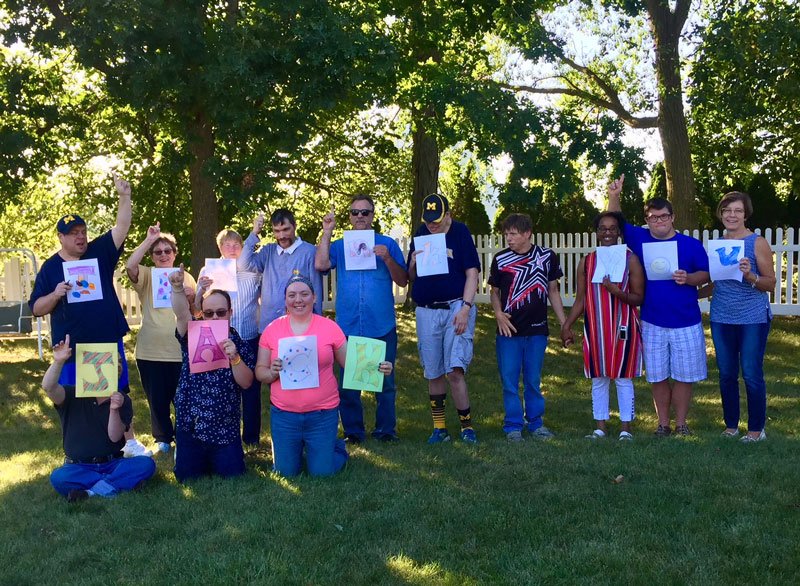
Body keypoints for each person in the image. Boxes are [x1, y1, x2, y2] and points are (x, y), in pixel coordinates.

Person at [29, 173, 152, 457]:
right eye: (73, 233)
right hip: (72, 346)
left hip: (105, 338)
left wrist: (124, 196)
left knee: (116, 392)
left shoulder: (99, 252)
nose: (81, 237)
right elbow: (36, 308)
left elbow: (122, 227)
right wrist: (56, 293)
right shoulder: (50, 268)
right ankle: (83, 448)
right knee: (78, 398)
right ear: (61, 238)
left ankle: (127, 443)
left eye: (82, 231)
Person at [256, 273, 392, 476]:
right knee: (284, 473)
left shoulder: (329, 328)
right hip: (284, 416)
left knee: (322, 473)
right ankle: (306, 450)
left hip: (322, 414)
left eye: (304, 294)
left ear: (314, 297)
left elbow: (350, 363)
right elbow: (260, 371)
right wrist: (271, 372)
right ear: (285, 300)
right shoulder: (272, 330)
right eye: (292, 295)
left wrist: (377, 367)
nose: (298, 300)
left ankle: (336, 448)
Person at [607, 174, 710, 436]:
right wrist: (614, 196)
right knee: (657, 375)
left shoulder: (691, 245)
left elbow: (705, 275)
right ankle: (663, 424)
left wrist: (688, 279)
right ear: (647, 220)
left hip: (686, 320)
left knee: (685, 376)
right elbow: (617, 221)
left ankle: (681, 424)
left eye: (663, 216)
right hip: (652, 320)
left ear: (672, 217)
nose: (659, 221)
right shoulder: (640, 238)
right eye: (653, 217)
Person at [314, 195, 408, 443]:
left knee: (385, 382)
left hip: (381, 324)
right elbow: (321, 265)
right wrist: (327, 232)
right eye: (355, 212)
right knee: (348, 386)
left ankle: (386, 431)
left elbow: (403, 280)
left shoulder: (387, 244)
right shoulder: (338, 246)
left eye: (365, 213)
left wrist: (387, 258)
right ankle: (354, 433)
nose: (360, 217)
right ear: (350, 216)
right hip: (349, 325)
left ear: (372, 215)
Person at [561, 212, 644, 440]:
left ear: (619, 232)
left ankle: (626, 429)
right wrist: (567, 325)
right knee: (598, 377)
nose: (607, 232)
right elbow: (580, 299)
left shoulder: (630, 259)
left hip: (623, 325)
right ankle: (600, 427)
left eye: (612, 228)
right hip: (595, 328)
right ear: (596, 233)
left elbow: (639, 298)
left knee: (623, 376)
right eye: (602, 228)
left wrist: (617, 292)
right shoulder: (587, 262)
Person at [169, 266, 256, 482]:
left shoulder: (239, 343)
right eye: (208, 313)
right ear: (202, 313)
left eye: (221, 312)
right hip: (191, 425)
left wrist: (234, 358)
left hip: (225, 428)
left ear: (230, 313)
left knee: (233, 476)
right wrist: (178, 288)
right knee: (186, 478)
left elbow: (246, 383)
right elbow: (181, 313)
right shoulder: (192, 333)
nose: (215, 317)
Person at [44, 334, 156, 502]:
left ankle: (90, 492)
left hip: (113, 463)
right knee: (59, 477)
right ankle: (117, 485)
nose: (100, 371)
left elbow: (114, 437)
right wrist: (58, 361)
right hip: (79, 466)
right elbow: (49, 387)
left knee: (146, 464)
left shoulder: (122, 399)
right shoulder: (71, 394)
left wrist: (114, 409)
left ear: (116, 372)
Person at [700, 192, 775, 442]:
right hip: (722, 317)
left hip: (752, 317)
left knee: (752, 373)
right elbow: (717, 283)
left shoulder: (757, 243)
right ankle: (731, 426)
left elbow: (771, 284)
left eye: (737, 211)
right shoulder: (718, 244)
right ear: (721, 214)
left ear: (745, 214)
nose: (732, 215)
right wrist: (691, 293)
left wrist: (749, 275)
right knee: (727, 374)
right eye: (727, 210)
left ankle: (756, 430)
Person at [407, 194, 481, 444]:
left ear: (448, 215)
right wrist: (414, 263)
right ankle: (439, 428)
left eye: (437, 220)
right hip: (427, 310)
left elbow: (472, 273)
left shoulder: (460, 232)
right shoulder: (421, 232)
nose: (432, 225)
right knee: (433, 370)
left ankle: (466, 427)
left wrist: (466, 308)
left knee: (455, 369)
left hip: (456, 307)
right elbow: (411, 276)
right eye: (428, 221)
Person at [489, 213, 568, 442]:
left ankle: (536, 423)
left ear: (527, 234)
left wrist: (564, 324)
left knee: (533, 379)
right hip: (508, 331)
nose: (509, 238)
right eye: (506, 234)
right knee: (509, 379)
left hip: (536, 330)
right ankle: (513, 426)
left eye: (513, 234)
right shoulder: (501, 259)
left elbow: (553, 291)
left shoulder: (546, 257)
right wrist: (497, 314)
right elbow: (494, 292)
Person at [126, 224, 197, 454]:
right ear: (153, 257)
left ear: (175, 254)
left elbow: (196, 313)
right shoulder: (146, 275)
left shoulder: (186, 277)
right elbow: (130, 265)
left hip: (180, 349)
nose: (164, 255)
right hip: (150, 350)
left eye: (168, 250)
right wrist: (149, 239)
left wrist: (192, 297)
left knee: (183, 398)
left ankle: (184, 437)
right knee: (157, 400)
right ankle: (163, 439)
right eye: (158, 252)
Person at [195, 229, 263, 448]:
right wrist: (200, 291)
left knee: (251, 389)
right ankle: (225, 437)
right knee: (222, 389)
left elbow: (264, 297)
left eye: (236, 244)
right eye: (227, 245)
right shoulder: (208, 270)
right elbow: (198, 309)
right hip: (220, 339)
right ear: (219, 248)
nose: (232, 248)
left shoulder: (252, 270)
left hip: (249, 335)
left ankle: (251, 439)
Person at [238, 209, 322, 332]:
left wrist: (317, 324)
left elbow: (316, 291)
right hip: (269, 325)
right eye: (276, 231)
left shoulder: (309, 252)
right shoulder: (268, 251)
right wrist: (254, 233)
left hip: (300, 326)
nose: (281, 236)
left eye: (286, 230)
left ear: (295, 226)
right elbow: (243, 264)